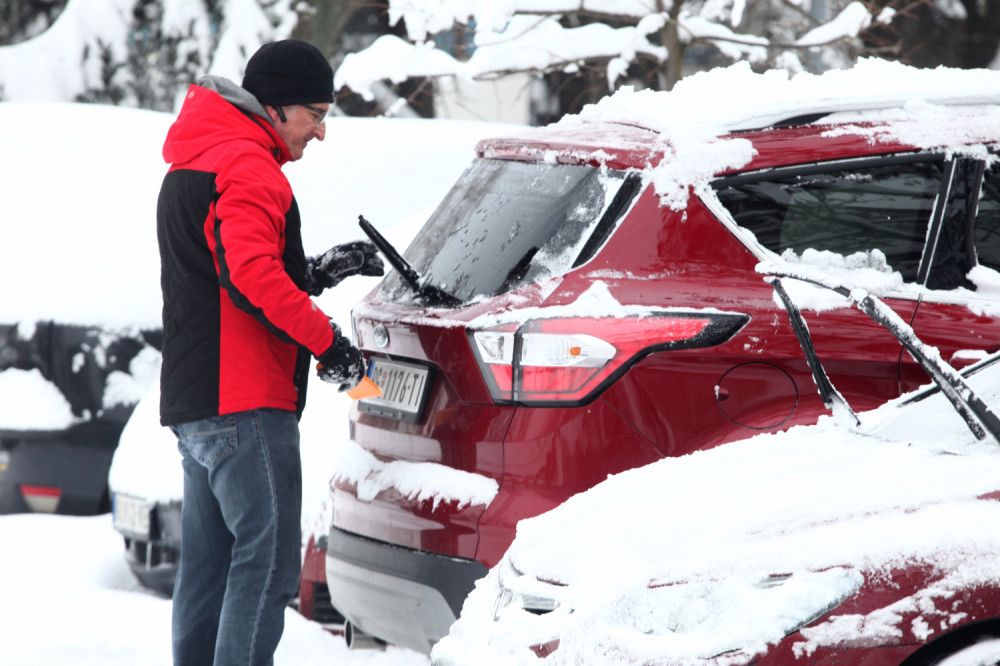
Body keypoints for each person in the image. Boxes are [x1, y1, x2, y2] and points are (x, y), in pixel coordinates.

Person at [155, 39, 383, 666]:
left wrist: (317, 271)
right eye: (316, 112)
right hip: (245, 403)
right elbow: (252, 278)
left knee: (209, 569)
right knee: (267, 568)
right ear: (277, 108)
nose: (321, 130)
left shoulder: (196, 160)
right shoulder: (248, 165)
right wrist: (328, 342)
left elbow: (228, 271)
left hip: (198, 403)